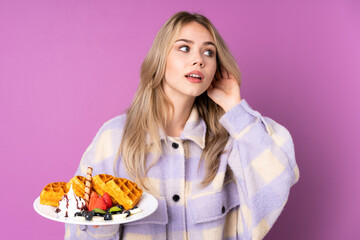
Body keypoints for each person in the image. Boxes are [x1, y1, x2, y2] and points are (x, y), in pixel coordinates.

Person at [65, 11, 299, 240]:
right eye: (184, 48)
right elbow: (80, 229)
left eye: (209, 52)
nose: (199, 59)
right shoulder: (114, 139)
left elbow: (275, 185)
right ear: (160, 58)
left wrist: (234, 108)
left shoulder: (230, 140)